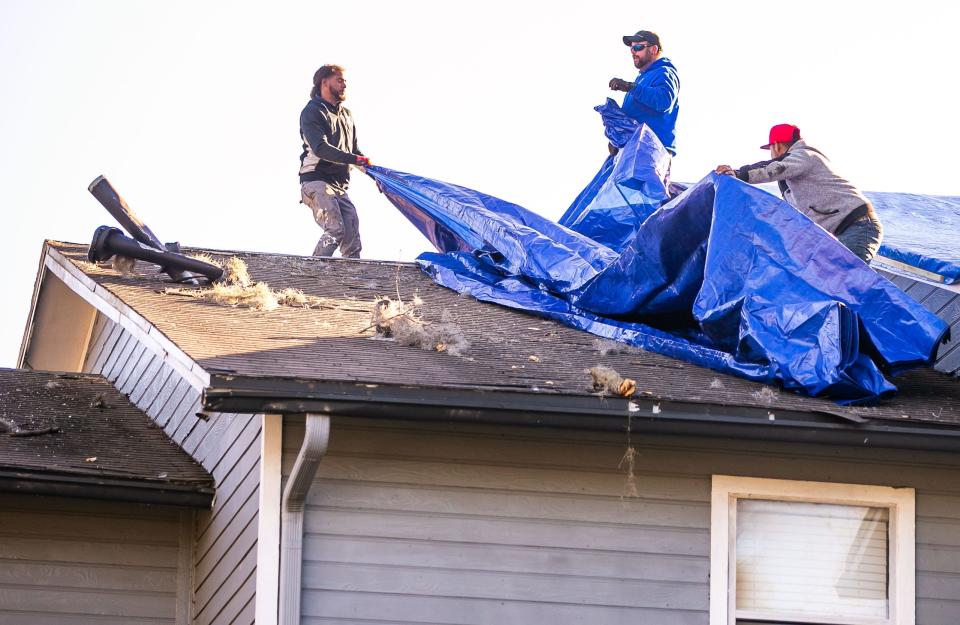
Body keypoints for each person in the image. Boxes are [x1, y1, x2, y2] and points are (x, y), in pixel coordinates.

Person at [715, 124, 883, 263]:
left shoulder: (804, 156)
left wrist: (737, 174)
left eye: (770, 148)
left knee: (847, 278)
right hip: (847, 229)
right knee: (830, 277)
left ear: (777, 145)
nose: (771, 153)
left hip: (859, 225)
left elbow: (773, 168)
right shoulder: (793, 180)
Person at [299, 64, 371, 258]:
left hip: (339, 187)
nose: (344, 86)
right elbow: (320, 149)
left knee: (352, 239)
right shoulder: (312, 112)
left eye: (345, 82)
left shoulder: (346, 115)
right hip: (316, 182)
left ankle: (352, 282)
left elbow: (354, 152)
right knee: (335, 228)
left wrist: (375, 175)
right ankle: (314, 272)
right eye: (339, 81)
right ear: (324, 82)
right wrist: (355, 158)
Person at [609, 30, 681, 157]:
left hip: (651, 151)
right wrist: (616, 138)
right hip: (634, 149)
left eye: (638, 47)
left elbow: (663, 100)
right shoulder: (642, 79)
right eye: (631, 48)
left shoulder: (664, 72)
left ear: (653, 49)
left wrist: (629, 86)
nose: (633, 52)